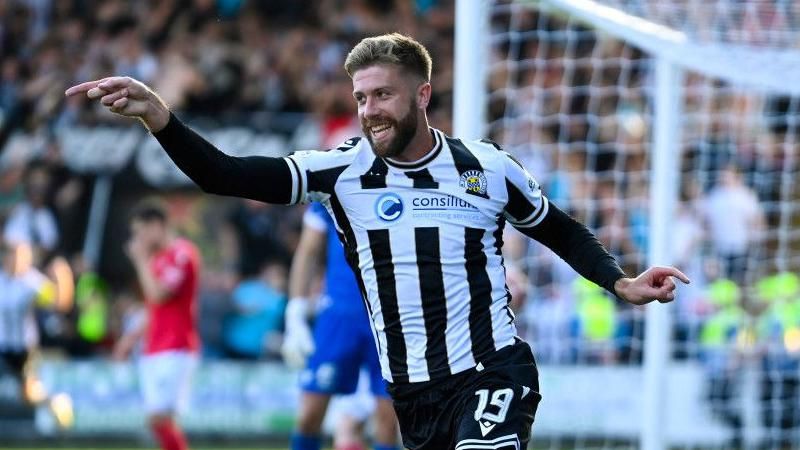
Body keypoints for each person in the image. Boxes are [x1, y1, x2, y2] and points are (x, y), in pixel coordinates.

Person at [67, 33, 689, 450]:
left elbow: (556, 227)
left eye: (383, 95)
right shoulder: (342, 172)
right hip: (411, 393)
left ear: (421, 95)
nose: (370, 111)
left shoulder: (487, 167)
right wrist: (160, 119)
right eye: (361, 98)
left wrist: (619, 281)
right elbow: (223, 173)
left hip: (491, 368)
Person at [283, 201, 398, 450]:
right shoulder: (333, 178)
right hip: (339, 316)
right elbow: (308, 250)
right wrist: (295, 313)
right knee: (309, 416)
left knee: (388, 424)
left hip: (389, 319)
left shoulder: (404, 180)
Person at [112, 202, 201, 450]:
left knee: (160, 419)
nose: (137, 239)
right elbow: (154, 309)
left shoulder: (182, 254)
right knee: (160, 421)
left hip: (176, 347)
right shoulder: (158, 259)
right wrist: (129, 339)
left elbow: (159, 294)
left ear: (157, 226)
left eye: (141, 231)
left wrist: (140, 260)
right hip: (155, 347)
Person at [0, 240, 73, 429]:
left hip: (24, 348)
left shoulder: (32, 282)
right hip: (2, 345)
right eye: (12, 256)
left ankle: (57, 403)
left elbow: (60, 304)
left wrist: (63, 277)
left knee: (28, 394)